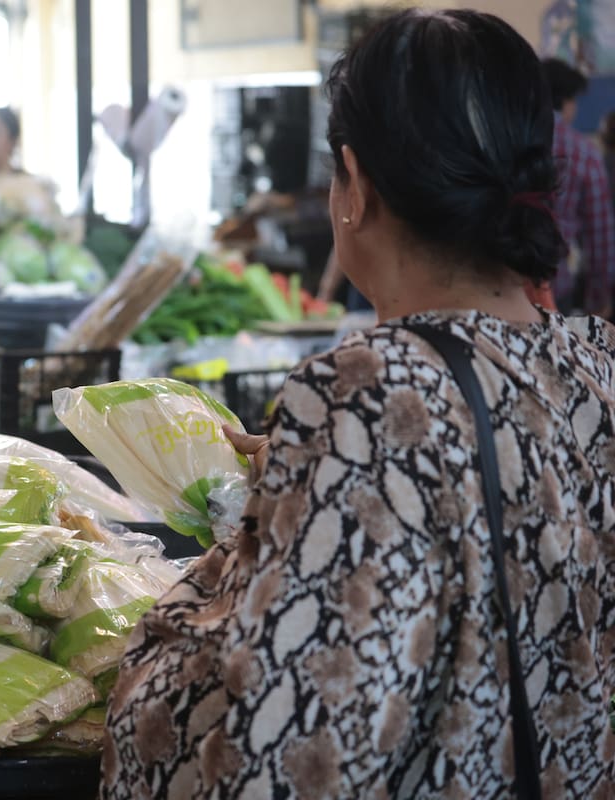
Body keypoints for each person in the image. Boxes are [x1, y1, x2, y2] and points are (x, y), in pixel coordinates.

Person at [104, 10, 615, 798]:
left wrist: (242, 542)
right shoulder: (598, 364)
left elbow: (278, 763)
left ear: (356, 184)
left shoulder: (365, 396)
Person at [542, 57, 615, 317]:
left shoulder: (506, 144)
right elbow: (601, 237)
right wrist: (598, 299)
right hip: (555, 288)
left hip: (499, 291)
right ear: (567, 100)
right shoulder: (584, 154)